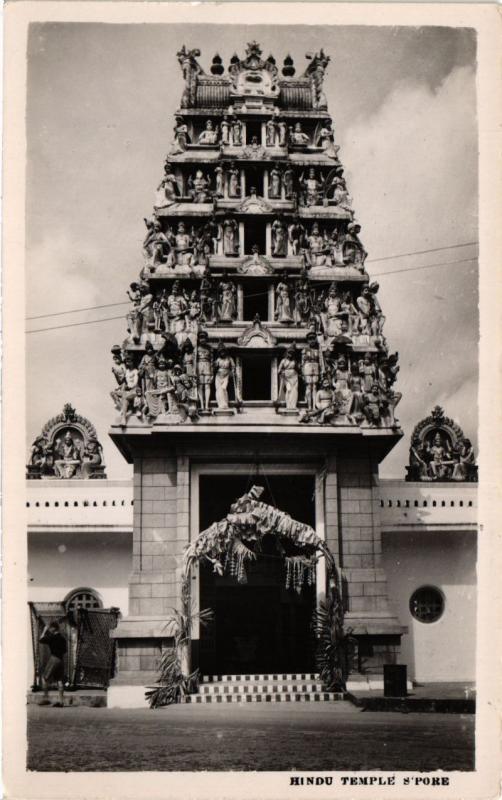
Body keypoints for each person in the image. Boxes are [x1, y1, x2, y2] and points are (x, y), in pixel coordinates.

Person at [39, 621, 67, 707]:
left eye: (50, 628)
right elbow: (65, 650)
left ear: (53, 628)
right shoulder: (63, 639)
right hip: (61, 659)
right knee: (59, 680)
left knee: (44, 678)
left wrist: (44, 630)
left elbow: (41, 640)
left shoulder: (51, 637)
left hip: (54, 658)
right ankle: (61, 701)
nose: (49, 630)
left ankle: (46, 698)